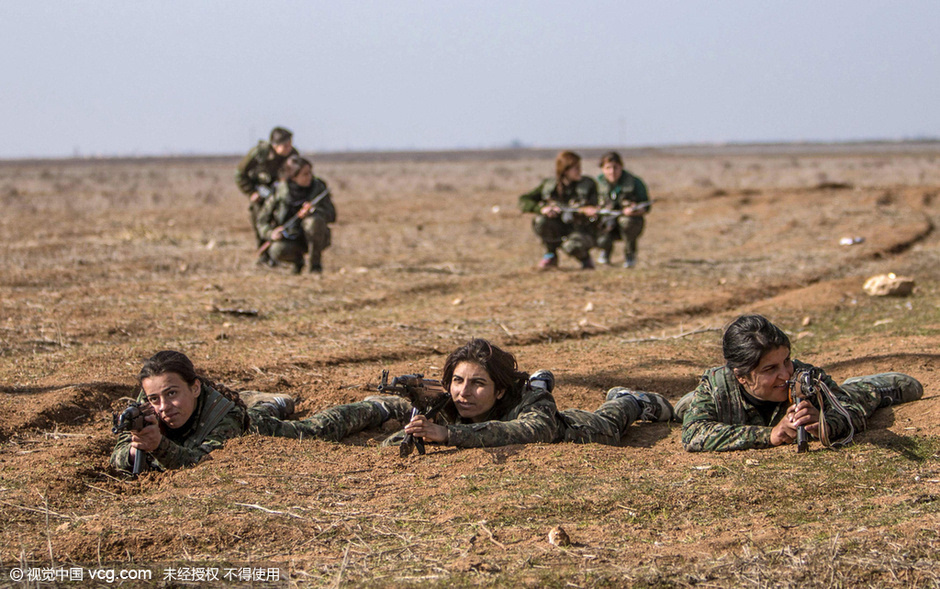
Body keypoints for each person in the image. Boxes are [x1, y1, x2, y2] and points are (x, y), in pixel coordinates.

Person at [677, 314, 923, 452]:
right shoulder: (718, 383)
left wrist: (824, 423)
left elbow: (850, 411)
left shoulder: (806, 377)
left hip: (847, 395)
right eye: (770, 369)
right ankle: (688, 401)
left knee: (861, 396)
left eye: (786, 361)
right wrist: (770, 435)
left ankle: (873, 387)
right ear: (741, 376)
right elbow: (693, 434)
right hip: (722, 401)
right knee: (685, 412)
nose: (785, 374)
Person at [518, 151, 599, 270]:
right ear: (565, 170)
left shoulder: (588, 184)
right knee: (541, 221)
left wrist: (589, 210)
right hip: (558, 227)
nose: (579, 171)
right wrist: (542, 209)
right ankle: (550, 255)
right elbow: (524, 200)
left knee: (571, 246)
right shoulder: (550, 185)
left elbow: (599, 205)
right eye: (575, 168)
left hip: (581, 229)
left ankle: (585, 259)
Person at [255, 155, 336, 274]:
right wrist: (270, 233)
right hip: (289, 237)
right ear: (293, 176)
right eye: (305, 174)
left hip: (314, 236)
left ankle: (315, 266)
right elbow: (262, 220)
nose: (310, 177)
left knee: (313, 222)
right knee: (277, 250)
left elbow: (332, 214)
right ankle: (297, 262)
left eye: (310, 172)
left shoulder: (318, 187)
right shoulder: (279, 192)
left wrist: (314, 211)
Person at [234, 127, 299, 261]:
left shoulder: (293, 154)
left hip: (282, 194)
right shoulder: (259, 153)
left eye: (290, 144)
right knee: (260, 218)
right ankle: (263, 254)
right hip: (261, 193)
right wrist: (251, 192)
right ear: (275, 144)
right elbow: (240, 174)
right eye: (285, 144)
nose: (289, 147)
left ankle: (281, 254)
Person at [594, 151, 651, 268]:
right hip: (605, 219)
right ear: (602, 169)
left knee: (627, 222)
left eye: (615, 167)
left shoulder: (634, 182)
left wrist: (634, 210)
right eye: (608, 168)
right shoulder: (596, 184)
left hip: (626, 219)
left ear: (621, 167)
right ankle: (604, 251)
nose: (612, 172)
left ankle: (630, 255)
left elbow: (646, 206)